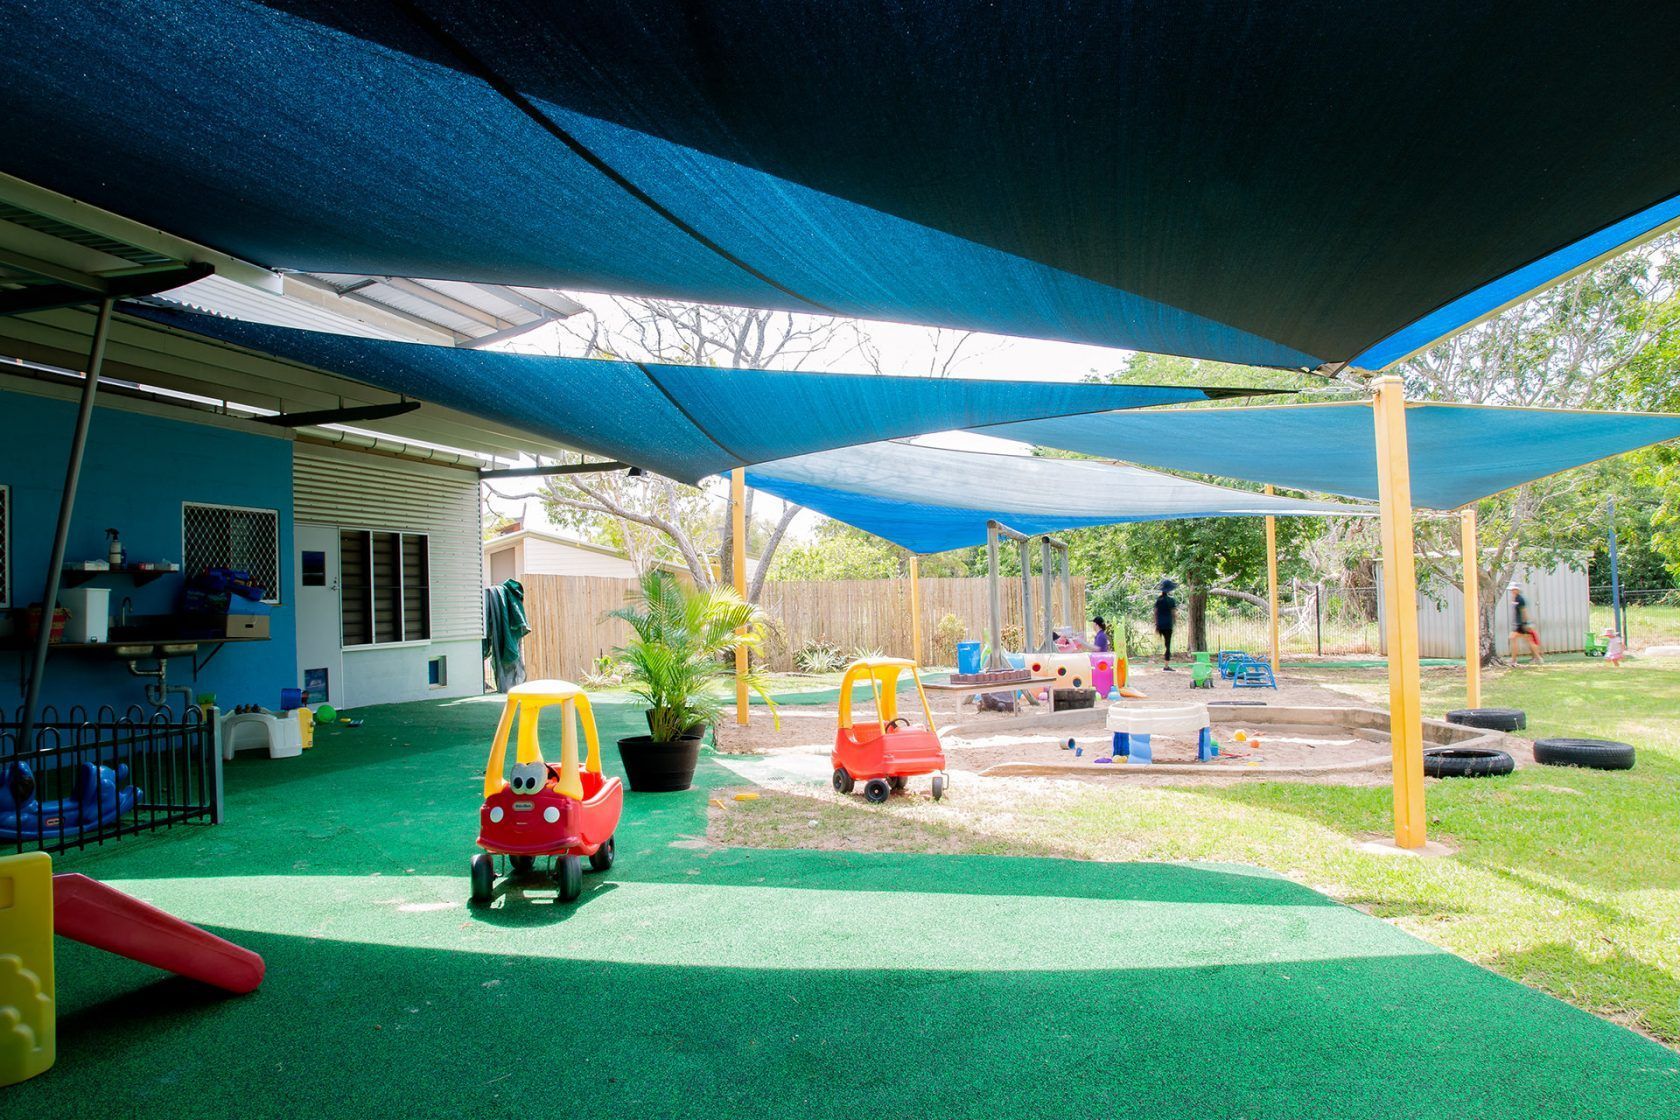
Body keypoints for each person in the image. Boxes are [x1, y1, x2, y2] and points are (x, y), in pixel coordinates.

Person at [1509, 583, 1543, 665]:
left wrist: (1526, 623)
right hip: (1519, 623)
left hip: (1521, 624)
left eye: (1513, 590)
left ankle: (1514, 660)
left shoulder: (1520, 599)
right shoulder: (1516, 598)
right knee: (1529, 640)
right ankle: (1538, 658)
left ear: (1517, 590)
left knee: (1513, 638)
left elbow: (1524, 612)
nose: (1511, 591)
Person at [1154, 580, 1178, 669]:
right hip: (1168, 625)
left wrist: (1156, 624)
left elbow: (1155, 613)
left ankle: (1159, 660)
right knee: (1168, 645)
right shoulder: (1171, 600)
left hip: (1160, 625)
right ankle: (1166, 665)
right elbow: (1173, 613)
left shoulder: (1158, 600)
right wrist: (1174, 622)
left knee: (1163, 643)